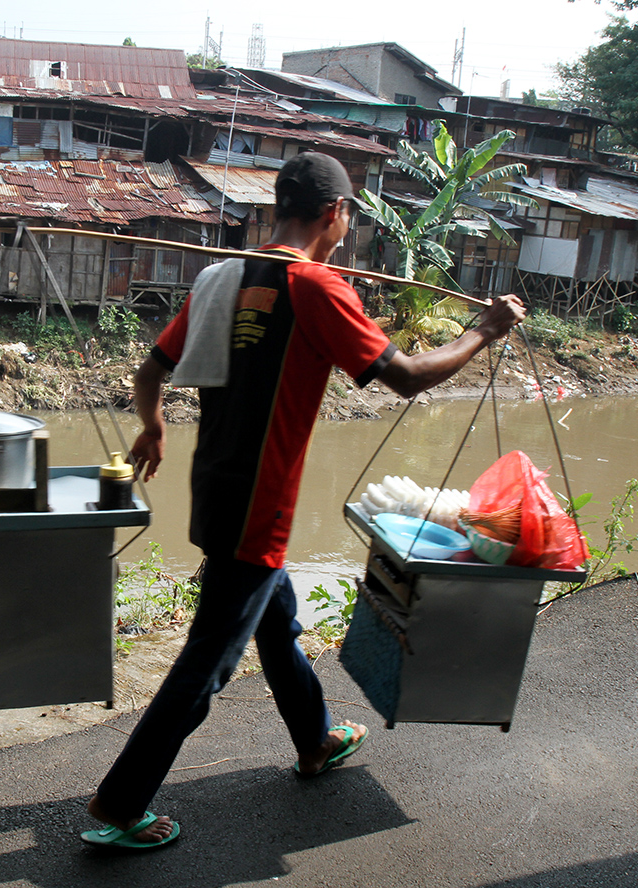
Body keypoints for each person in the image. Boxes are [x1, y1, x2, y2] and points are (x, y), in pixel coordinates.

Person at [81, 152, 527, 850]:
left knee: (274, 620)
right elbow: (406, 377)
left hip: (215, 489)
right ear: (334, 214)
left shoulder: (221, 277)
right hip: (260, 506)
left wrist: (153, 425)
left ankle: (315, 741)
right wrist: (485, 331)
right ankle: (120, 801)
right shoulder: (318, 288)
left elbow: (150, 372)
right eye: (350, 213)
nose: (347, 224)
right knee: (207, 661)